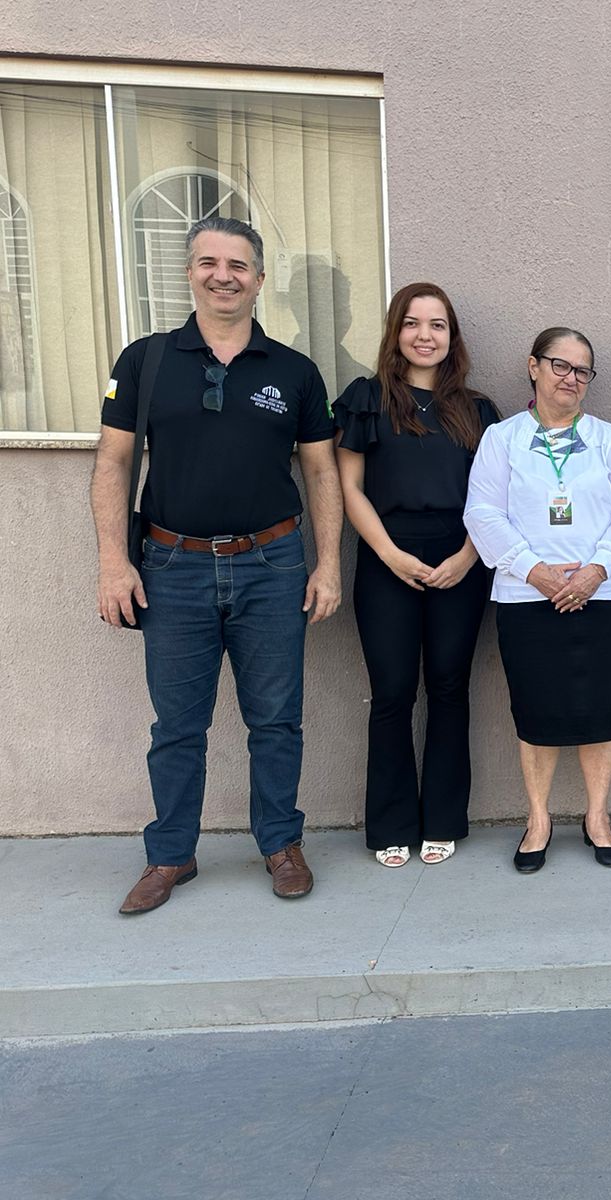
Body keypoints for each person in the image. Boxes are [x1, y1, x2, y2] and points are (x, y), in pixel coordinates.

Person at [91, 216, 342, 914]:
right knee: (176, 725)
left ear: (260, 279)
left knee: (277, 719)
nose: (222, 274)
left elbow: (322, 473)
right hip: (172, 567)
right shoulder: (146, 361)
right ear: (190, 271)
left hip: (272, 564)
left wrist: (327, 566)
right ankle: (170, 853)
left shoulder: (294, 371)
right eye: (209, 261)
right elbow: (113, 462)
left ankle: (280, 843)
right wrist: (115, 561)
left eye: (238, 264)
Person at [464, 327, 611, 872]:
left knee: (602, 710)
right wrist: (537, 572)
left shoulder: (609, 438)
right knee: (538, 711)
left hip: (607, 593)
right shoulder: (501, 439)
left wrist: (596, 571)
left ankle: (597, 816)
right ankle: (539, 818)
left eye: (582, 370)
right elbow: (482, 514)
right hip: (528, 597)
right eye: (559, 365)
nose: (571, 378)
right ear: (533, 367)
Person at [333, 283, 498, 869]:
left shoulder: (477, 410)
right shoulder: (366, 398)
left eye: (437, 325)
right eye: (413, 323)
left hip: (461, 559)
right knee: (393, 693)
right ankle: (391, 825)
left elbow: (495, 495)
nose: (424, 335)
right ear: (395, 332)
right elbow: (349, 488)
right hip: (387, 559)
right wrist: (389, 554)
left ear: (452, 338)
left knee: (450, 689)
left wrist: (469, 556)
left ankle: (445, 818)